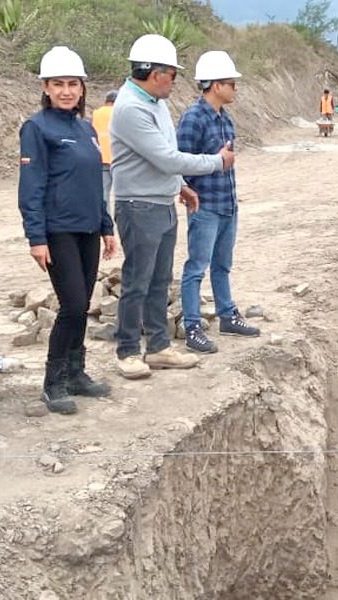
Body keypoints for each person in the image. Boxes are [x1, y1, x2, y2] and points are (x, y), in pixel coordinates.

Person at [110, 34, 234, 379]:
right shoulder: (131, 108)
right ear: (154, 72)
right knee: (137, 280)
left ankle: (159, 347)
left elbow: (162, 155)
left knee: (160, 279)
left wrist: (179, 186)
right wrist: (216, 162)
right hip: (138, 206)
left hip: (161, 202)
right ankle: (128, 351)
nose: (175, 81)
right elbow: (166, 157)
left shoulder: (155, 103)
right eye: (172, 74)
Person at [18, 46, 116, 414]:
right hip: (57, 230)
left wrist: (106, 227)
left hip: (89, 230)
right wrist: (36, 237)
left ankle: (77, 373)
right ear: (45, 87)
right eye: (57, 84)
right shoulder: (37, 128)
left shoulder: (86, 128)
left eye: (73, 84)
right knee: (72, 305)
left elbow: (96, 183)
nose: (66, 91)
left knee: (84, 304)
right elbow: (31, 186)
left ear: (82, 87)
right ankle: (53, 382)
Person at [177, 51, 260, 353]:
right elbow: (181, 162)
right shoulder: (192, 119)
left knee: (222, 265)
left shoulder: (225, 120)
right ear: (214, 85)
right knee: (197, 266)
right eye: (231, 83)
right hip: (205, 207)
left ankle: (227, 315)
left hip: (227, 204)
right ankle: (192, 326)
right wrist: (189, 189)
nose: (235, 88)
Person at [91, 89, 117, 204]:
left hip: (102, 158)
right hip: (119, 159)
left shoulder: (96, 113)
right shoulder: (119, 113)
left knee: (104, 194)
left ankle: (106, 219)